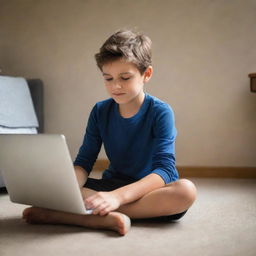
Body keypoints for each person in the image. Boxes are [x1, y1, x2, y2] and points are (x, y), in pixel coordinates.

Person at [22, 29, 197, 236]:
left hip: (148, 189)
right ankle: (100, 213)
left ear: (146, 74)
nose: (115, 86)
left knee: (186, 191)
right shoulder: (100, 111)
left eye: (125, 77)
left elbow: (166, 170)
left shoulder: (160, 112)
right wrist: (67, 188)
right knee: (48, 185)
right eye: (108, 78)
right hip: (111, 184)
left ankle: (77, 216)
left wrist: (117, 198)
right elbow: (84, 161)